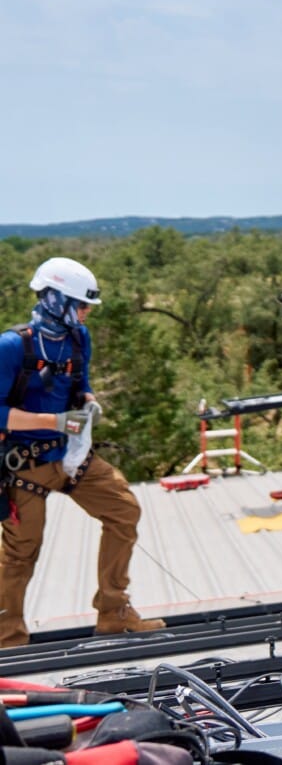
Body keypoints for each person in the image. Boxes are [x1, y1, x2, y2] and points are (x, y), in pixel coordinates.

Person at [0, 258, 166, 647]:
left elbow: (80, 381)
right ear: (55, 299)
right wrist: (55, 423)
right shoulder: (12, 345)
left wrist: (88, 402)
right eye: (81, 304)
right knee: (22, 549)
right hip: (24, 463)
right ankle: (7, 637)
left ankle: (113, 611)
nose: (87, 312)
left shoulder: (78, 338)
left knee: (123, 509)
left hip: (71, 457)